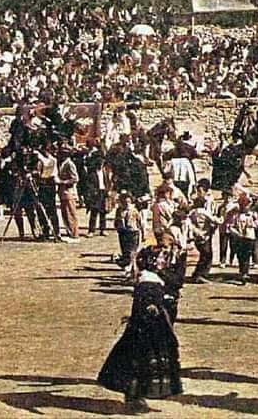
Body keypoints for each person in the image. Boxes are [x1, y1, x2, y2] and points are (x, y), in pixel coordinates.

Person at [97, 247, 183, 414]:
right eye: (160, 258)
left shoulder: (156, 276)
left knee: (143, 364)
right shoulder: (147, 280)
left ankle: (137, 397)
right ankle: (135, 398)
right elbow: (144, 305)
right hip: (146, 329)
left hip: (153, 327)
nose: (163, 261)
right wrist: (154, 307)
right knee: (140, 363)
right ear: (151, 261)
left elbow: (177, 281)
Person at [227, 194, 258, 284]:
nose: (247, 207)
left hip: (249, 237)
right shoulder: (236, 216)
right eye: (245, 205)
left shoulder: (252, 215)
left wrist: (253, 222)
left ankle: (245, 273)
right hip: (239, 238)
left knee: (247, 256)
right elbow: (230, 226)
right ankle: (242, 271)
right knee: (241, 256)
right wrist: (237, 234)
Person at [57, 143, 81, 239]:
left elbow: (75, 178)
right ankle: (69, 231)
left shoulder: (69, 164)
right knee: (65, 213)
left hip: (69, 191)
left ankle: (74, 232)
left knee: (71, 212)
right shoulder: (62, 163)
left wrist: (62, 182)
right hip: (62, 191)